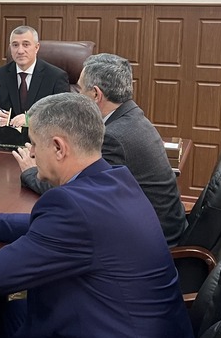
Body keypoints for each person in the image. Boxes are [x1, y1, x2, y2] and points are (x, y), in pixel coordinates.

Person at [0, 93, 193, 338]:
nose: (31, 153)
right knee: (15, 314)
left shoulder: (73, 207)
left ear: (58, 147)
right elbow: (43, 226)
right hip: (149, 334)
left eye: (34, 143)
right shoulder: (114, 178)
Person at [15, 53, 188, 246]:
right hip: (162, 225)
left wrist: (31, 172)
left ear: (96, 95)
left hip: (153, 241)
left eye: (80, 89)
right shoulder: (132, 116)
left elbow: (76, 191)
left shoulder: (113, 138)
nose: (77, 96)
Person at [0, 26, 70, 129]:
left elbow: (64, 115)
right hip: (7, 135)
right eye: (15, 45)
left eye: (26, 45)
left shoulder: (56, 77)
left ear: (36, 47)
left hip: (41, 136)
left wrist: (31, 119)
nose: (20, 51)